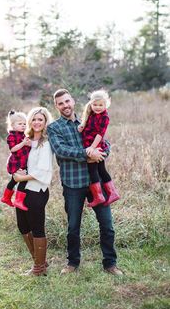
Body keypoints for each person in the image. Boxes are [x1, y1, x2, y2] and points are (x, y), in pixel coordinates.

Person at [47, 88, 123, 276]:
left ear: (73, 101)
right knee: (73, 227)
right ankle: (73, 263)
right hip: (73, 183)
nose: (65, 105)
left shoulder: (88, 118)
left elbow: (105, 142)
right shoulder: (54, 127)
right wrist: (87, 154)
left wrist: (102, 153)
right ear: (56, 106)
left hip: (94, 180)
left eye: (67, 101)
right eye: (60, 103)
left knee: (107, 224)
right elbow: (61, 150)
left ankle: (110, 263)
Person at [13, 107, 53, 276]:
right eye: (34, 119)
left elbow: (43, 171)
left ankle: (38, 268)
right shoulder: (26, 140)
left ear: (45, 123)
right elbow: (15, 157)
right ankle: (41, 262)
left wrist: (21, 178)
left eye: (40, 120)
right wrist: (15, 172)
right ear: (30, 121)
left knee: (37, 227)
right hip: (22, 189)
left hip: (37, 190)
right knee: (22, 226)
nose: (37, 122)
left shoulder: (46, 143)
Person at [78, 89, 120, 207]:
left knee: (93, 170)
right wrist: (82, 127)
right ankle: (112, 193)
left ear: (106, 104)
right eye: (95, 104)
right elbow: (88, 126)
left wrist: (92, 147)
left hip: (96, 147)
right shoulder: (91, 114)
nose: (97, 107)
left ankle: (99, 196)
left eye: (100, 105)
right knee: (101, 170)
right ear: (91, 103)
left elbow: (99, 134)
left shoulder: (104, 117)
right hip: (90, 145)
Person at [0, 110, 31, 211]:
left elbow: (29, 145)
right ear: (13, 125)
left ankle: (6, 197)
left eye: (24, 124)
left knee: (14, 180)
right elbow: (13, 149)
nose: (23, 126)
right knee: (23, 179)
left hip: (23, 161)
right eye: (20, 124)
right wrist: (23, 144)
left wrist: (28, 143)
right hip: (17, 162)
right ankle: (18, 200)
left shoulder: (23, 135)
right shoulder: (11, 136)